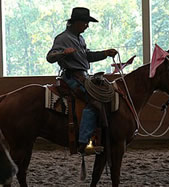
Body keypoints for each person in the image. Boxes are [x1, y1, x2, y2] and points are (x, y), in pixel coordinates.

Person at [46, 7, 117, 154]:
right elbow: (50, 57)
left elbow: (87, 56)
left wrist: (105, 53)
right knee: (94, 102)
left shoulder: (80, 38)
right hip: (71, 76)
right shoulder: (63, 38)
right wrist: (62, 52)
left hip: (83, 76)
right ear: (76, 22)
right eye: (85, 22)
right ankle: (84, 142)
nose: (87, 25)